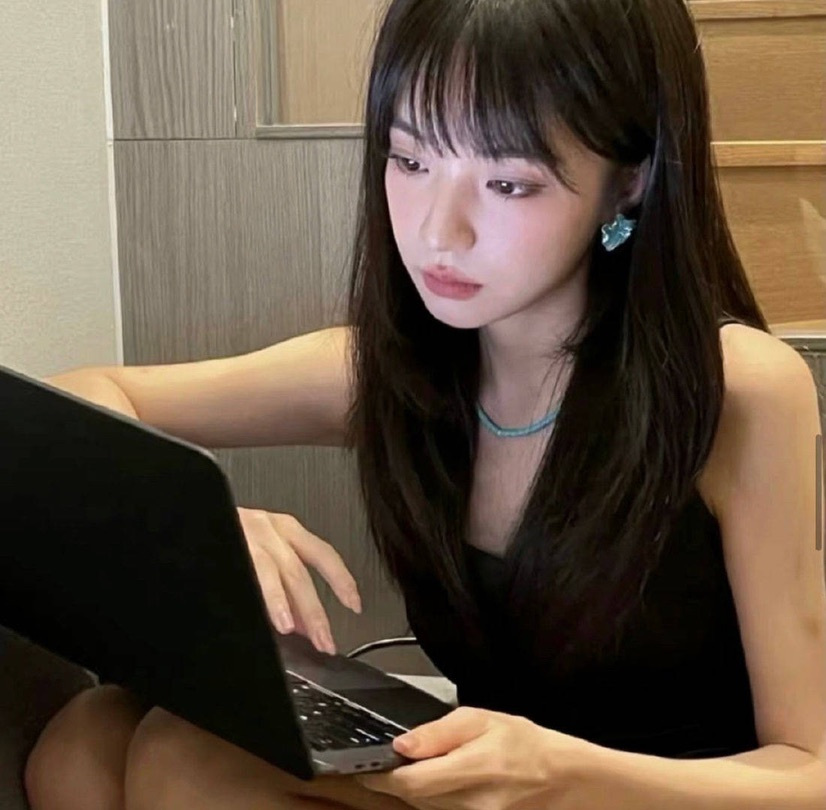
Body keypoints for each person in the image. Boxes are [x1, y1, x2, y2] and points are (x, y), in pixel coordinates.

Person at [23, 0, 826, 808]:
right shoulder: (395, 372)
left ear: (629, 182)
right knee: (85, 740)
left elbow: (808, 770)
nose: (440, 232)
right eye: (410, 161)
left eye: (508, 183)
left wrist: (567, 772)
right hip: (482, 784)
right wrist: (195, 517)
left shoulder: (735, 390)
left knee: (184, 762)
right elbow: (82, 396)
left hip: (630, 794)